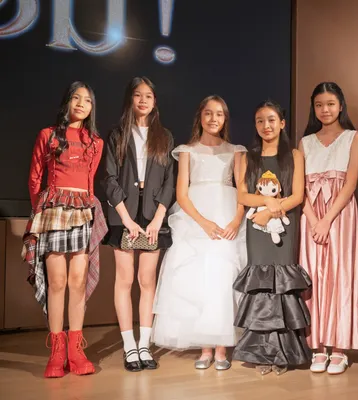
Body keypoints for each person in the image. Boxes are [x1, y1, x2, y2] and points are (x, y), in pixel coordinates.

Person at [152, 95, 247, 371]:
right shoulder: (187, 150)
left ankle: (222, 348)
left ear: (225, 119)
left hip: (226, 216)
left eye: (219, 114)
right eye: (208, 113)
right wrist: (203, 222)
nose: (213, 118)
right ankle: (205, 348)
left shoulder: (236, 150)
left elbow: (243, 190)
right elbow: (181, 194)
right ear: (200, 117)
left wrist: (236, 220)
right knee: (198, 278)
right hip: (195, 219)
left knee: (223, 276)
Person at [23, 81, 106, 378]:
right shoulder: (48, 135)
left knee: (78, 281)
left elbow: (90, 180)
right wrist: (39, 213)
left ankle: (76, 350)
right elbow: (35, 178)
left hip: (82, 211)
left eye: (88, 100)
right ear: (67, 102)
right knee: (57, 281)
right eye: (76, 98)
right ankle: (56, 352)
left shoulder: (95, 142)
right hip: (54, 211)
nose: (82, 104)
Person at [232, 100, 311, 376]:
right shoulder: (248, 157)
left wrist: (272, 211)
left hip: (284, 227)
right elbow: (242, 195)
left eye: (271, 120)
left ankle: (284, 353)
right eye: (260, 121)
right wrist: (266, 203)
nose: (266, 125)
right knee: (262, 286)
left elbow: (297, 195)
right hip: (257, 228)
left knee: (282, 286)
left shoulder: (294, 155)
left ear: (282, 123)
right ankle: (262, 353)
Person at [102, 77, 175, 372]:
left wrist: (158, 218)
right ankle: (129, 346)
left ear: (155, 102)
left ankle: (144, 344)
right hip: (125, 214)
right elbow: (108, 178)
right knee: (124, 279)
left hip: (153, 215)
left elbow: (170, 181)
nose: (143, 100)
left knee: (147, 281)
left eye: (148, 96)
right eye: (137, 95)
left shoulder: (165, 137)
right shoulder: (117, 134)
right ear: (129, 99)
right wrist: (126, 219)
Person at [299, 82, 358, 375]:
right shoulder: (305, 142)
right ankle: (317, 345)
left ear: (340, 105)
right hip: (310, 216)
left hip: (340, 214)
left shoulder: (353, 138)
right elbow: (298, 187)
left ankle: (339, 347)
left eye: (330, 104)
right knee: (313, 277)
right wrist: (314, 219)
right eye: (319, 105)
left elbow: (350, 183)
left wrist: (327, 219)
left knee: (340, 275)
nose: (325, 110)